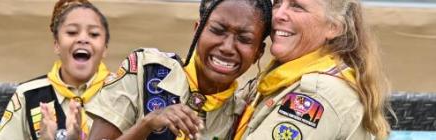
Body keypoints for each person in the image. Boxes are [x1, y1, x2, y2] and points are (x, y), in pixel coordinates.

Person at [85, 0, 272, 139]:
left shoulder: (240, 118)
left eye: (244, 39)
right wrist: (148, 124)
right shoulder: (145, 70)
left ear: (258, 52)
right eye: (217, 30)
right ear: (197, 30)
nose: (227, 47)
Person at [234, 0, 391, 139]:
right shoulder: (282, 76)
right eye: (278, 3)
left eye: (297, 6)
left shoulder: (317, 94)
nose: (278, 15)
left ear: (334, 27)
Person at [0, 0, 111, 139]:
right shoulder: (28, 95)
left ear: (105, 48)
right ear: (56, 44)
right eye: (72, 32)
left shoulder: (125, 91)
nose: (82, 39)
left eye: (93, 34)